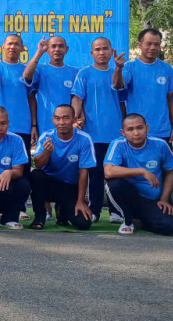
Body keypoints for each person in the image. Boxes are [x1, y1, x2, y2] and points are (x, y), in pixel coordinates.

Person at [72, 36, 124, 221]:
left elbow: (120, 90)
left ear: (111, 51)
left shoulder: (119, 72)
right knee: (94, 175)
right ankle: (94, 210)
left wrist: (118, 68)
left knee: (115, 175)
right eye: (97, 49)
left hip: (116, 135)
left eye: (105, 49)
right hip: (92, 134)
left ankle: (116, 211)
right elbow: (77, 99)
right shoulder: (84, 73)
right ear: (92, 53)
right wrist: (74, 120)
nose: (102, 52)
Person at [104, 113, 173, 235]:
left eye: (140, 128)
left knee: (169, 227)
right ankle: (128, 220)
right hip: (129, 199)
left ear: (147, 128)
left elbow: (171, 171)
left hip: (152, 200)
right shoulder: (118, 144)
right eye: (130, 129)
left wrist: (164, 199)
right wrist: (141, 171)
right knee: (114, 184)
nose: (136, 133)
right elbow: (108, 171)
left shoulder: (160, 144)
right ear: (123, 132)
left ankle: (140, 223)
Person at [29, 105, 95, 230]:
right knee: (35, 174)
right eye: (57, 118)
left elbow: (84, 171)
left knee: (84, 223)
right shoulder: (46, 136)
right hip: (49, 184)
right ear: (53, 120)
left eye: (65, 118)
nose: (61, 122)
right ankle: (40, 217)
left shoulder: (84, 139)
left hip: (70, 187)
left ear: (74, 119)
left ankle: (62, 211)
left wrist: (80, 200)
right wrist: (47, 151)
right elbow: (37, 164)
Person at [113, 28, 173, 144]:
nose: (152, 47)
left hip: (162, 132)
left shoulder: (167, 68)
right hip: (136, 132)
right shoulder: (129, 66)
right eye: (148, 43)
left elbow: (170, 99)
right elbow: (118, 85)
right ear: (140, 45)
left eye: (156, 44)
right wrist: (118, 68)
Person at [23, 36, 79, 139]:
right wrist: (39, 52)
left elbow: (78, 99)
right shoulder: (40, 69)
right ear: (47, 49)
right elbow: (26, 76)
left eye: (61, 46)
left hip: (67, 126)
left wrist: (77, 119)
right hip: (44, 125)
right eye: (53, 46)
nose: (57, 49)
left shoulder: (74, 72)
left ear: (66, 49)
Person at [0, 34, 35, 151]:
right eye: (9, 44)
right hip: (0, 127)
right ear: (3, 46)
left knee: (22, 161)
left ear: (22, 48)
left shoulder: (27, 70)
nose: (12, 47)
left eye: (16, 44)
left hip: (23, 127)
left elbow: (31, 99)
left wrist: (34, 125)